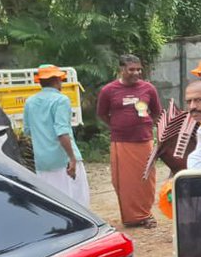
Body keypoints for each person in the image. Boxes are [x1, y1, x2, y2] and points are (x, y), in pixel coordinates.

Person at [97, 55, 162, 228]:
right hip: (121, 141)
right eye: (131, 69)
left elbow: (156, 111)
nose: (136, 73)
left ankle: (145, 214)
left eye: (138, 69)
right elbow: (102, 113)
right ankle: (131, 218)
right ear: (122, 69)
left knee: (146, 180)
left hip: (144, 140)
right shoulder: (108, 90)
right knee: (124, 181)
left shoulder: (148, 89)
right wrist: (117, 125)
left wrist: (146, 125)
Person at [23, 65, 89, 207]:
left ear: (40, 82)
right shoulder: (61, 100)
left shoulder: (30, 102)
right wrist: (71, 158)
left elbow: (28, 131)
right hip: (62, 160)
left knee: (53, 204)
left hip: (42, 162)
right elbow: (62, 132)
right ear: (57, 80)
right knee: (77, 203)